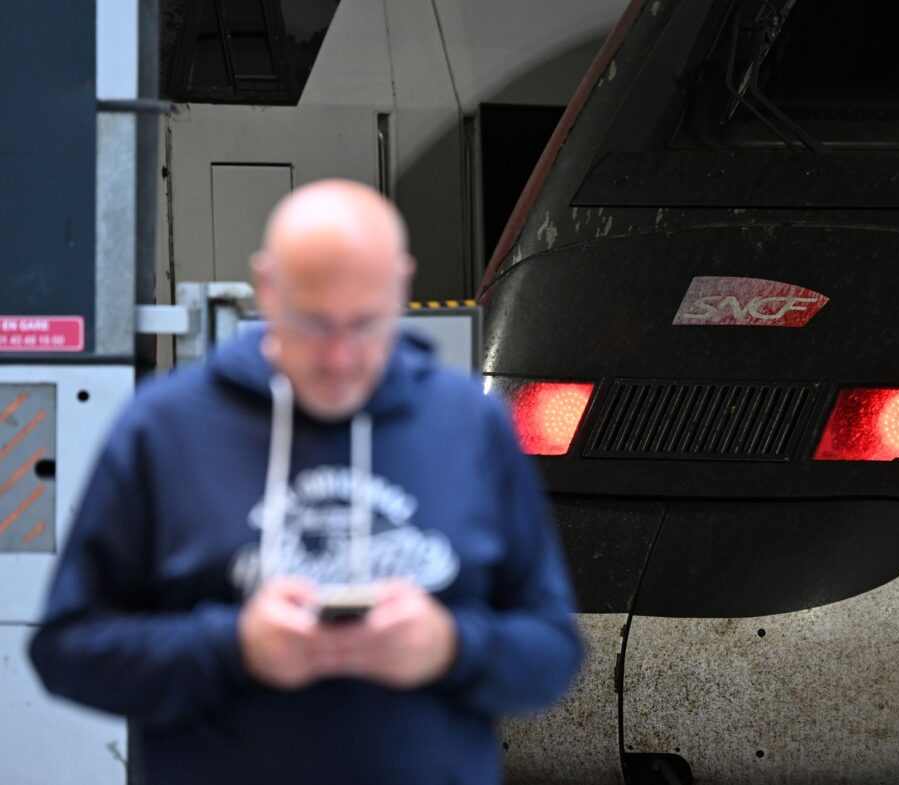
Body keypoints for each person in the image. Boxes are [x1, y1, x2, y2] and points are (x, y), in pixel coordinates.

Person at [28, 179, 583, 785]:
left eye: (365, 324)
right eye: (313, 323)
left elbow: (554, 651)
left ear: (401, 283)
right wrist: (234, 648)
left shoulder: (469, 425)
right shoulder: (166, 428)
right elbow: (67, 650)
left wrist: (448, 646)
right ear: (267, 287)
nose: (340, 355)